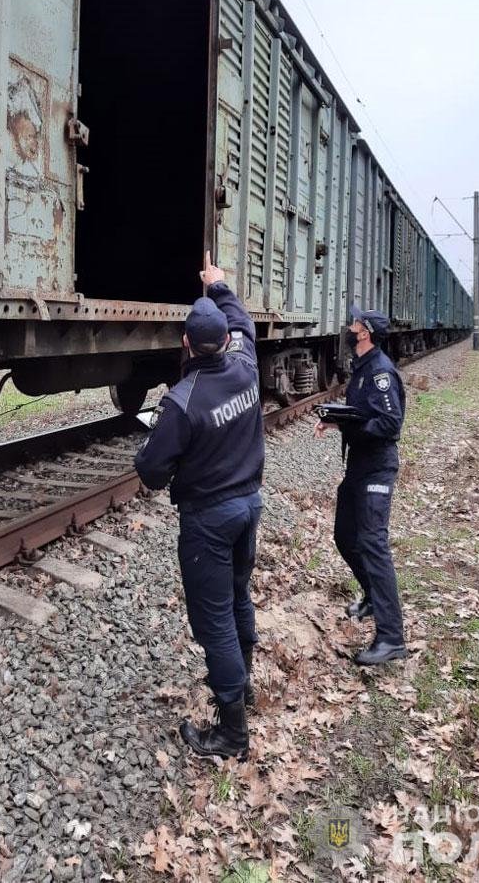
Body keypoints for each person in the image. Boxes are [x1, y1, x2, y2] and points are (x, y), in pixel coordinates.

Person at [134, 252, 264, 760]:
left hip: (209, 520)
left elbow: (150, 472)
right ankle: (245, 684)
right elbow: (244, 321)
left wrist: (151, 448)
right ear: (226, 342)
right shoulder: (248, 365)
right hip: (248, 506)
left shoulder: (182, 402)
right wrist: (220, 285)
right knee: (237, 597)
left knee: (214, 623)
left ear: (186, 343)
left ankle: (232, 732)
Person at [314, 306, 407, 665]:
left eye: (354, 325)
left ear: (365, 333)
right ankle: (371, 596)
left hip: (376, 470)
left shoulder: (381, 372)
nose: (349, 328)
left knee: (373, 544)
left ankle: (391, 637)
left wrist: (350, 427)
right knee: (344, 536)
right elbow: (363, 414)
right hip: (359, 467)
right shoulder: (363, 367)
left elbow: (390, 424)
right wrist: (336, 421)